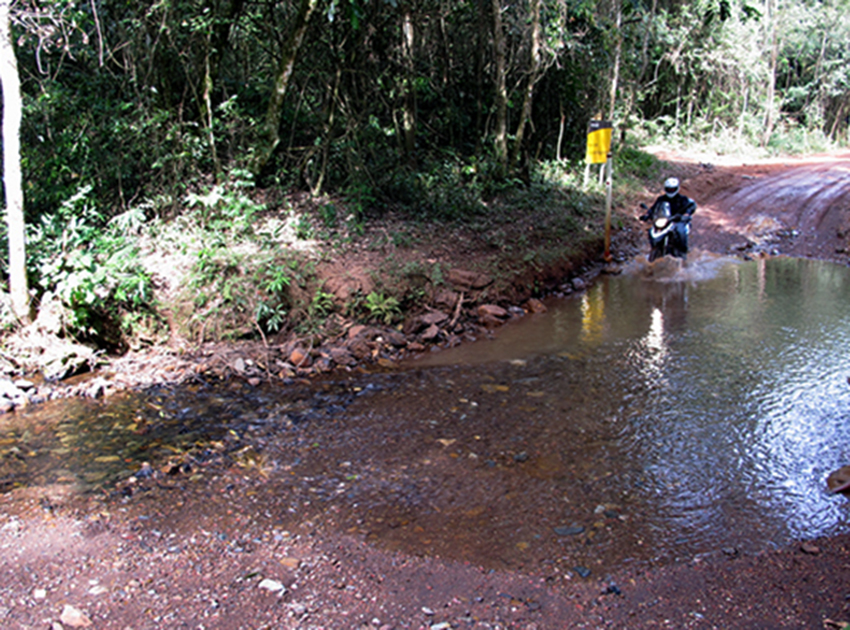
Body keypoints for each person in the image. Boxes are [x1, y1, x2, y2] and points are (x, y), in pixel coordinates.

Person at [640, 177, 696, 257]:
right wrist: (647, 215)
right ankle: (655, 248)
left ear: (677, 188)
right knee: (651, 231)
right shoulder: (661, 199)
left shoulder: (682, 199)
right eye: (669, 189)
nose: (671, 191)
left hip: (678, 220)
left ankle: (683, 252)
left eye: (673, 189)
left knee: (680, 231)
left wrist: (686, 215)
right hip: (664, 220)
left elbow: (690, 207)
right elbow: (654, 208)